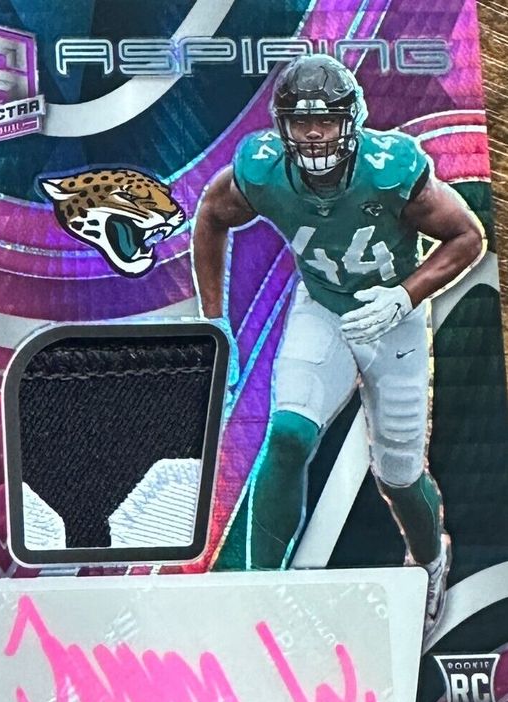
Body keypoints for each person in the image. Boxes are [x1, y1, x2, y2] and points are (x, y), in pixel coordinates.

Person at [192, 54, 484, 634]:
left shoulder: (389, 168)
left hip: (393, 319)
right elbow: (210, 215)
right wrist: (214, 321)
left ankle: (430, 563)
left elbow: (467, 236)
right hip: (323, 307)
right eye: (302, 122)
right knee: (287, 434)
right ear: (283, 127)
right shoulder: (263, 169)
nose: (315, 134)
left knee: (398, 476)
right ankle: (259, 587)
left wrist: (404, 295)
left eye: (326, 120)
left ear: (352, 121)